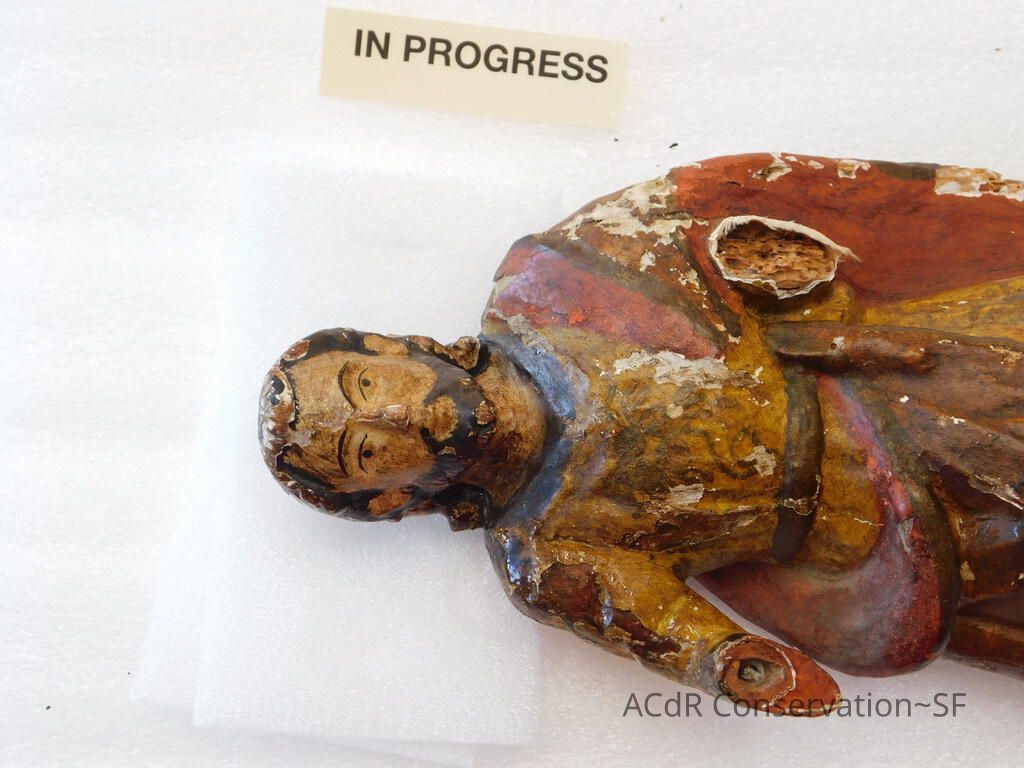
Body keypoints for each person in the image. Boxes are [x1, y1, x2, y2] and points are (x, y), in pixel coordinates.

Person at [259, 153, 1024, 715]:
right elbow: (665, 625)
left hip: (883, 386)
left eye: (366, 387)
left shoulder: (549, 282)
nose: (393, 418)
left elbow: (692, 221)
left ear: (392, 349)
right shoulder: (545, 555)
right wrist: (732, 664)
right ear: (391, 499)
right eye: (366, 451)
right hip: (872, 543)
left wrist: (757, 259)